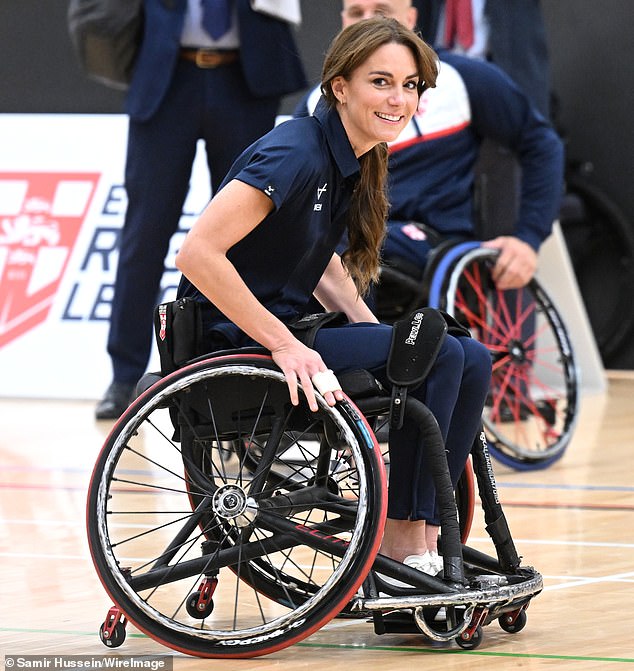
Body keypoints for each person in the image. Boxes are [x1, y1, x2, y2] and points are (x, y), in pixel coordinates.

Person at [175, 17, 492, 577]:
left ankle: (431, 531)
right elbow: (198, 255)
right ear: (339, 87)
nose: (400, 98)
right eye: (382, 82)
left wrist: (380, 338)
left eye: (411, 85)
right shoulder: (296, 151)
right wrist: (283, 347)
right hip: (233, 348)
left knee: (467, 353)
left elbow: (316, 256)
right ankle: (401, 534)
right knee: (442, 353)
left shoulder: (351, 152)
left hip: (291, 331)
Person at [96, 0, 307, 419]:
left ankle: (245, 367)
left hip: (245, 78)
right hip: (167, 74)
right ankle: (124, 376)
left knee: (250, 238)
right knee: (144, 233)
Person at [295, 0, 564, 293]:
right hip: (357, 239)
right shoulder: (319, 102)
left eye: (382, 12)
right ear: (343, 19)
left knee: (345, 242)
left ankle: (359, 332)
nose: (367, 23)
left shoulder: (459, 78)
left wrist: (527, 238)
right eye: (357, 13)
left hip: (435, 242)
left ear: (411, 19)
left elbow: (541, 142)